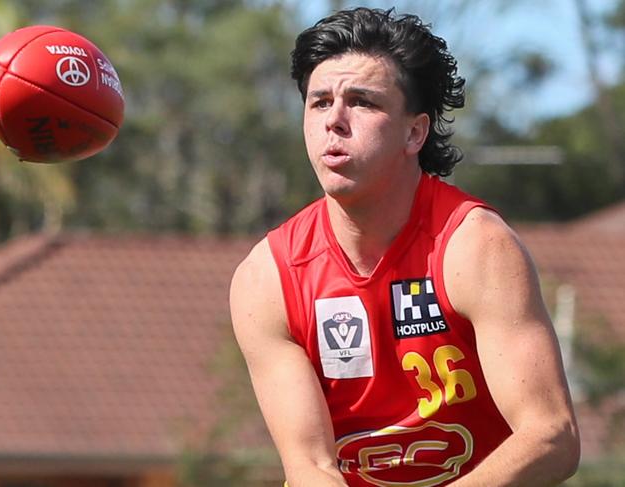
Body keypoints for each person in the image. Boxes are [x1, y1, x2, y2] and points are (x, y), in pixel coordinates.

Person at [230, 7, 580, 486]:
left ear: (415, 131)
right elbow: (309, 466)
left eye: (361, 102)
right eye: (319, 102)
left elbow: (552, 435)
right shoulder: (267, 277)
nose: (334, 120)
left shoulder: (476, 247)